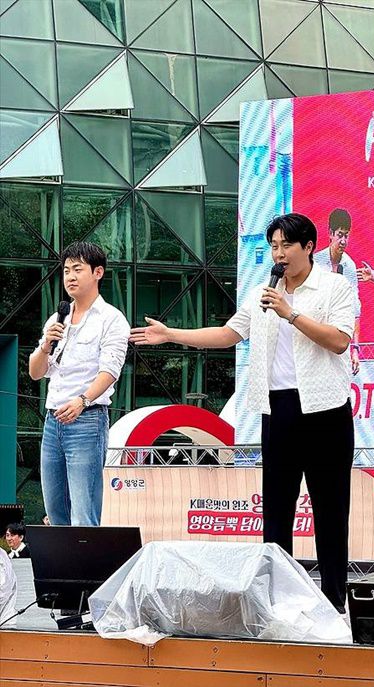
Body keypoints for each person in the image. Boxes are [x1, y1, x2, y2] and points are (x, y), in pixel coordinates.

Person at [130, 213, 355, 612]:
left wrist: (290, 313)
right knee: (277, 511)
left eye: (286, 245)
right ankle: (276, 601)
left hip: (325, 411)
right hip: (278, 409)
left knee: (330, 511)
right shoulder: (261, 293)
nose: (279, 253)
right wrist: (170, 334)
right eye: (274, 246)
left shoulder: (334, 286)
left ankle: (335, 603)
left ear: (309, 247)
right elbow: (227, 334)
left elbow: (339, 341)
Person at [29, 242, 130, 527]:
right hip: (53, 422)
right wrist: (46, 345)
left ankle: (88, 559)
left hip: (87, 420)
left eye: (77, 269)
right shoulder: (57, 318)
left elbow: (110, 371)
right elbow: (35, 372)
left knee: (84, 512)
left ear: (98, 272)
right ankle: (62, 559)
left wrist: (82, 401)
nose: (70, 277)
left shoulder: (112, 319)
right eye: (66, 271)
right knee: (55, 509)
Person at [315, 208, 361, 374]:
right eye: (340, 235)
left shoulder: (349, 266)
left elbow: (355, 311)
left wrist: (355, 349)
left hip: (340, 338)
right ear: (330, 234)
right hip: (316, 335)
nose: (343, 241)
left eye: (346, 236)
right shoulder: (315, 263)